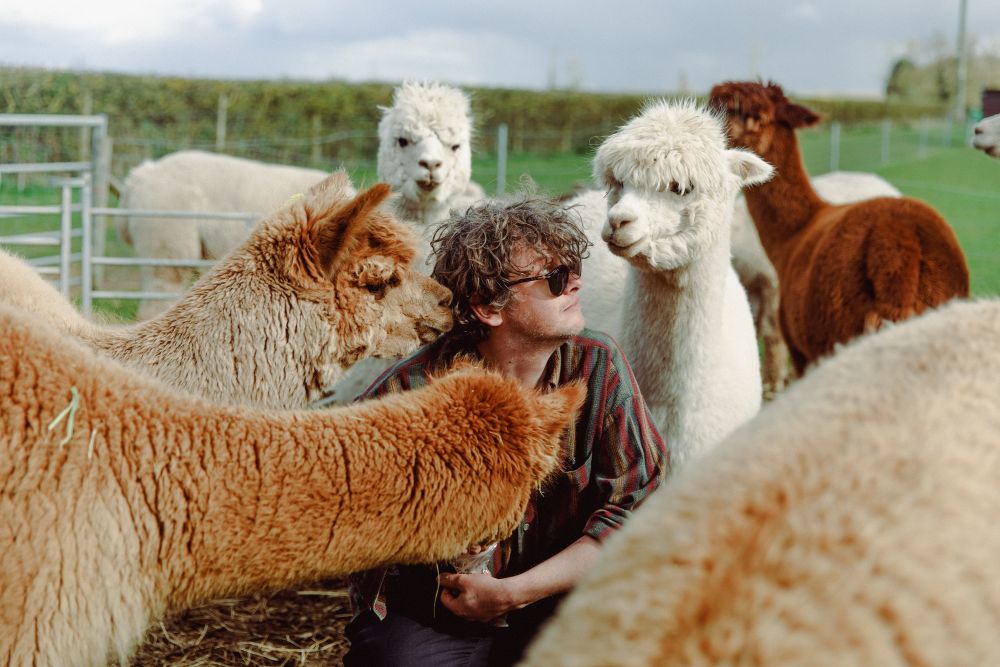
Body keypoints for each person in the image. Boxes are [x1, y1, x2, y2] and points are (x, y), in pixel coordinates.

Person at [342, 197, 669, 666]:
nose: (575, 282)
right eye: (555, 279)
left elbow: (637, 508)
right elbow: (351, 509)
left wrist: (512, 593)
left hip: (561, 603)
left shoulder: (597, 366)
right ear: (487, 307)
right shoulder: (408, 394)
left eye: (573, 268)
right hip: (435, 614)